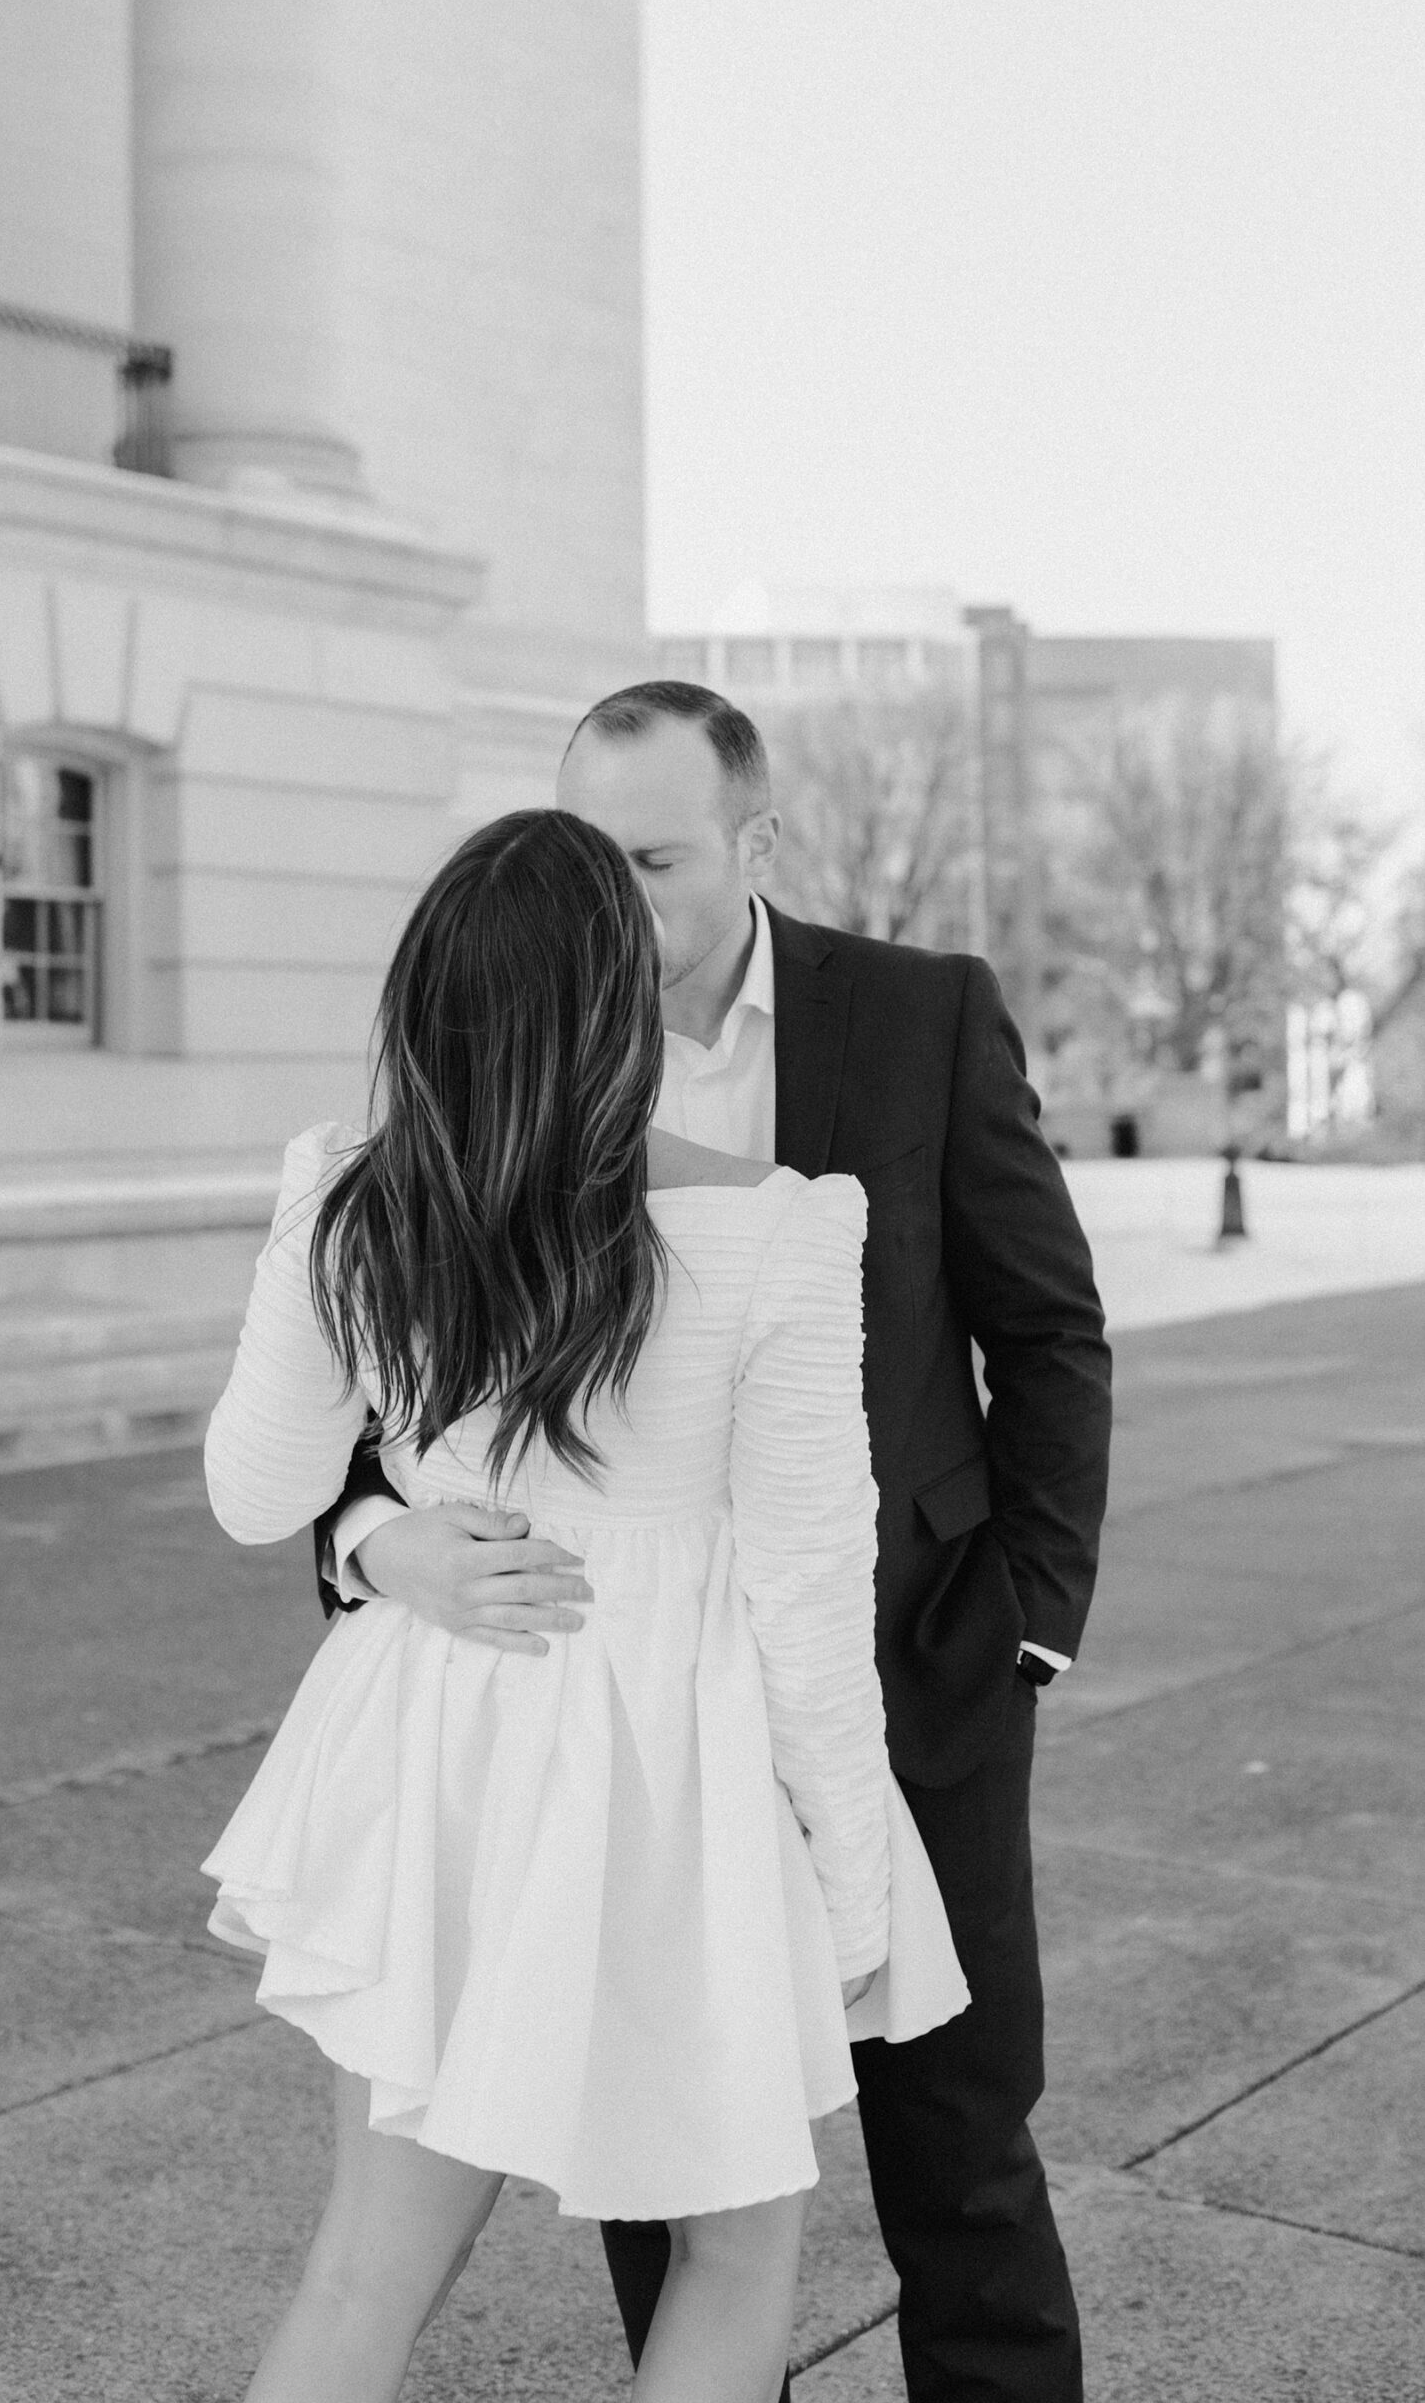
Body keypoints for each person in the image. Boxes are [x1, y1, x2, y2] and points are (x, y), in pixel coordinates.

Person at [315, 686, 1112, 2403]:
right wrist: (381, 1545)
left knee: (962, 2148)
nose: (610, 901)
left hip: (909, 1678)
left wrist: (1030, 1623)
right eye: (585, 855)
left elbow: (1046, 1333)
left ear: (756, 845)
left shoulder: (919, 1015)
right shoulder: (497, 1061)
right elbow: (362, 1411)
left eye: (655, 857)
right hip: (620, 1735)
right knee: (662, 2174)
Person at [202, 807, 968, 2403]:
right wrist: (854, 1881)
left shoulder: (348, 1200)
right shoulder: (775, 1227)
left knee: (366, 2267)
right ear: (621, 1005)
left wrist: (379, 1534)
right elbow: (809, 1592)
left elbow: (259, 1491)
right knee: (738, 2250)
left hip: (433, 1743)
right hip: (672, 1767)